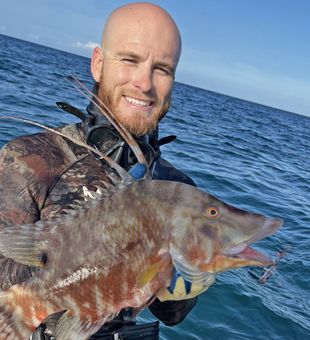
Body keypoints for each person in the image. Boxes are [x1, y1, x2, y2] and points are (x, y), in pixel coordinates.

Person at [0, 2, 209, 339]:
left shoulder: (178, 188)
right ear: (98, 64)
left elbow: (174, 314)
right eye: (129, 60)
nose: (144, 83)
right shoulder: (31, 158)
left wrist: (190, 269)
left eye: (162, 68)